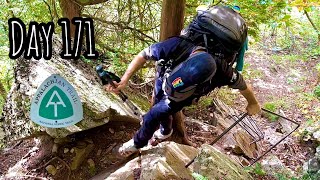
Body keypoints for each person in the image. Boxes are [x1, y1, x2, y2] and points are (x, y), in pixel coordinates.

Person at [105, 36, 261, 157]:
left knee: (154, 114)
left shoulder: (223, 71)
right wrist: (124, 79)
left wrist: (253, 103)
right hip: (165, 77)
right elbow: (143, 54)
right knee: (159, 105)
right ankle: (165, 131)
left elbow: (243, 85)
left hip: (181, 96)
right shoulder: (178, 45)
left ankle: (137, 143)